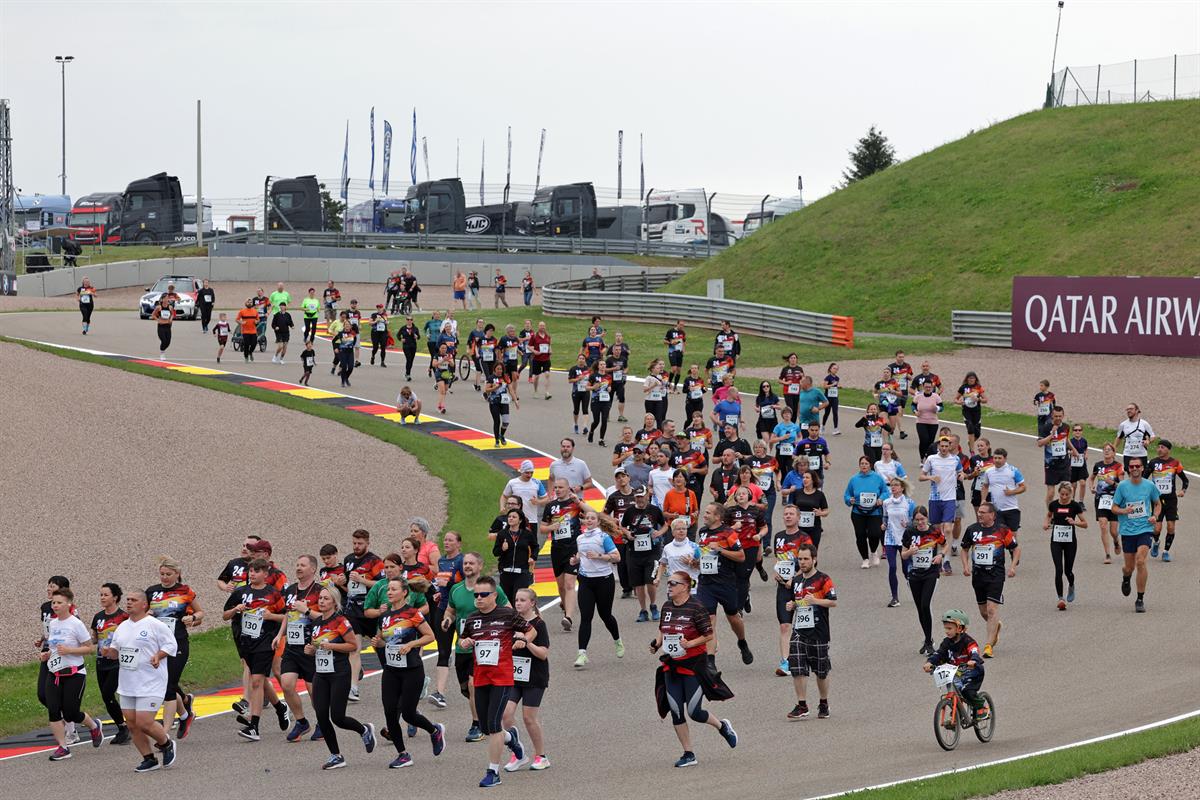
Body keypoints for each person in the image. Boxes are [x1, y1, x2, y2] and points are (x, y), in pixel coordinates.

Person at [651, 571, 738, 767]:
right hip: (671, 665)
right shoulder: (666, 606)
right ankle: (688, 753)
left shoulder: (697, 608)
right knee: (676, 710)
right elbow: (663, 628)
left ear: (685, 586)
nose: (669, 586)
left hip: (693, 665)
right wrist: (656, 643)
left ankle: (722, 726)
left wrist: (690, 644)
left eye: (673, 583)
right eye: (668, 583)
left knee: (694, 711)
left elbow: (708, 635)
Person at [458, 576, 532, 788]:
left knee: (493, 725)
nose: (478, 599)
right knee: (485, 726)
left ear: (494, 596)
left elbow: (530, 629)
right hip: (481, 678)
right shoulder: (472, 619)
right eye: (476, 595)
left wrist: (522, 640)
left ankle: (493, 772)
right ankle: (512, 740)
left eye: (483, 595)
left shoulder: (507, 614)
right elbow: (463, 640)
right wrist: (465, 642)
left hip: (502, 677)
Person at [372, 577, 445, 768]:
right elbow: (385, 640)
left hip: (411, 670)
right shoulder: (384, 616)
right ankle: (403, 754)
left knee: (408, 714)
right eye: (388, 589)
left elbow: (430, 636)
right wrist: (379, 643)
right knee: (389, 712)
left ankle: (434, 731)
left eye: (393, 589)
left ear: (404, 592)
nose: (389, 592)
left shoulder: (413, 613)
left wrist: (411, 644)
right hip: (391, 670)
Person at [104, 590, 178, 772]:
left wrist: (158, 655)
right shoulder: (122, 627)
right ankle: (149, 758)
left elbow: (171, 645)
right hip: (128, 683)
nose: (129, 603)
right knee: (132, 724)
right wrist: (108, 652)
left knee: (144, 722)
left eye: (133, 600)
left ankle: (166, 743)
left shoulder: (155, 625)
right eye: (128, 600)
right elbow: (115, 651)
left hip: (151, 681)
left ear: (144, 604)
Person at [306, 586, 376, 769]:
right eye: (320, 598)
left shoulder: (341, 622)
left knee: (337, 717)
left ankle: (364, 730)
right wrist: (311, 650)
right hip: (321, 674)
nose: (321, 601)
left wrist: (332, 647)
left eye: (326, 599)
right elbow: (316, 646)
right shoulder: (316, 623)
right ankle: (336, 755)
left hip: (339, 672)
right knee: (321, 715)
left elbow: (353, 645)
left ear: (334, 603)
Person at [222, 558, 289, 740]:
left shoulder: (273, 594)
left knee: (257, 681)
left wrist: (270, 616)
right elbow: (225, 615)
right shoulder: (241, 592)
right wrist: (236, 609)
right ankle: (280, 707)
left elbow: (285, 617)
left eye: (257, 571)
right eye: (251, 571)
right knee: (258, 678)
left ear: (266, 574)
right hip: (246, 642)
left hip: (265, 641)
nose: (252, 574)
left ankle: (254, 726)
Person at [41, 587, 104, 761]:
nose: (55, 606)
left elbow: (89, 648)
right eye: (53, 602)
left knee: (70, 713)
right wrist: (47, 654)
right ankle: (63, 747)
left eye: (59, 602)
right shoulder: (53, 623)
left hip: (74, 674)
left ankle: (93, 725)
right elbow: (53, 647)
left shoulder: (76, 624)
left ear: (69, 604)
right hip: (54, 673)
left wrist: (70, 650)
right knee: (53, 710)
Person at [146, 556, 203, 739]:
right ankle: (186, 710)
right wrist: (146, 614)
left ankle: (165, 730)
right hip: (157, 645)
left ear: (177, 574)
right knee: (165, 684)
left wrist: (192, 618)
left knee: (168, 685)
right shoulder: (152, 592)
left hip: (177, 642)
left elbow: (201, 613)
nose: (164, 578)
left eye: (168, 574)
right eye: (162, 574)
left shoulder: (185, 591)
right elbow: (142, 613)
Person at [959, 503, 1020, 658]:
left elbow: (1015, 548)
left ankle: (988, 645)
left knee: (992, 609)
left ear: (992, 515)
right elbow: (965, 549)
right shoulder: (972, 530)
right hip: (978, 576)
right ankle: (995, 626)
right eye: (979, 512)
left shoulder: (1002, 530)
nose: (980, 515)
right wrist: (966, 566)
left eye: (983, 512)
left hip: (996, 575)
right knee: (984, 612)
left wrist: (1012, 567)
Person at [784, 543, 837, 720]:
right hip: (799, 630)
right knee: (797, 666)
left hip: (819, 631)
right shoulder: (797, 581)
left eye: (806, 559)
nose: (803, 562)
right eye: (800, 559)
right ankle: (802, 704)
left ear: (814, 559)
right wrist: (792, 605)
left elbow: (833, 602)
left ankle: (823, 702)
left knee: (821, 671)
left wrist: (815, 600)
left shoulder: (823, 579)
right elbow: (798, 601)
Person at [696, 502, 752, 664]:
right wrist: (695, 561)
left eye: (708, 513)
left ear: (717, 517)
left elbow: (741, 556)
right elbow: (704, 555)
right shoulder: (703, 532)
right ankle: (711, 660)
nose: (704, 515)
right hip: (706, 583)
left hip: (725, 583)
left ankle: (742, 642)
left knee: (733, 617)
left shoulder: (728, 533)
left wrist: (720, 549)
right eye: (705, 512)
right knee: (709, 620)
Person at [501, 587, 550, 771]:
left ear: (532, 603)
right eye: (516, 600)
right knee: (506, 713)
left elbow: (544, 654)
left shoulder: (538, 624)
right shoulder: (511, 623)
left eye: (523, 600)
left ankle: (541, 756)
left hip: (534, 676)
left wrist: (527, 642)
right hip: (514, 676)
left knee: (529, 718)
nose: (518, 603)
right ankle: (517, 752)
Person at [277, 554, 323, 742]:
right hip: (292, 646)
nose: (298, 568)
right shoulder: (290, 590)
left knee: (314, 691)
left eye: (302, 565)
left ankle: (322, 723)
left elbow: (326, 617)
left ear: (313, 569)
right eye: (297, 565)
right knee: (286, 684)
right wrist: (279, 634)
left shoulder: (320, 591)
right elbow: (288, 614)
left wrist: (307, 611)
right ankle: (301, 721)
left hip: (310, 646)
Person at [571, 510, 624, 668]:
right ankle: (582, 654)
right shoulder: (580, 538)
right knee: (586, 617)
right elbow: (581, 555)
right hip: (586, 581)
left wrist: (599, 556)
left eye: (592, 518)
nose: (589, 520)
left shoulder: (603, 537)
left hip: (604, 581)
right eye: (587, 518)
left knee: (605, 615)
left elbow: (617, 557)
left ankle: (618, 641)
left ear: (598, 521)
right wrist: (575, 560)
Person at [1112, 458, 1162, 613]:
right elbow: (1114, 508)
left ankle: (1140, 599)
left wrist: (1155, 516)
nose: (1134, 468)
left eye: (1137, 466)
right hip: (1127, 530)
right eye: (1132, 466)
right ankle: (1126, 578)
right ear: (1128, 468)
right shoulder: (1122, 486)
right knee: (1129, 567)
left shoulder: (1149, 486)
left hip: (1145, 528)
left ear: (1142, 468)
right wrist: (1123, 511)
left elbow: (1157, 503)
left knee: (1140, 561)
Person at [922, 609, 988, 721]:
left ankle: (982, 707)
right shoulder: (946, 642)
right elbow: (939, 653)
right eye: (945, 628)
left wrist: (973, 660)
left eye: (949, 628)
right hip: (956, 672)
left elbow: (974, 651)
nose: (946, 631)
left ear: (960, 628)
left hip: (972, 672)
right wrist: (930, 662)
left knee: (967, 692)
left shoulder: (968, 641)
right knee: (953, 689)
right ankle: (957, 712)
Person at [770, 505, 813, 674]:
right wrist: (778, 574)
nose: (788, 516)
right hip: (783, 588)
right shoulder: (779, 537)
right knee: (785, 625)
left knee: (804, 626)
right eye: (786, 514)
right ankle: (786, 662)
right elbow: (779, 560)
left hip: (802, 586)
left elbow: (811, 562)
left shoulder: (804, 538)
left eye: (791, 514)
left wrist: (794, 577)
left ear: (798, 517)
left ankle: (808, 656)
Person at [342, 529, 384, 701]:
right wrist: (341, 583)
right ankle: (353, 688)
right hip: (353, 611)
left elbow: (381, 584)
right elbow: (348, 587)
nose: (356, 546)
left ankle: (407, 679)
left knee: (381, 648)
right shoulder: (348, 560)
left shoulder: (375, 561)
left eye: (360, 543)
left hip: (371, 610)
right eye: (354, 543)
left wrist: (363, 580)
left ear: (367, 543)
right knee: (355, 648)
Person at [901, 506, 946, 654]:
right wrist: (909, 552)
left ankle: (928, 642)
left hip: (931, 573)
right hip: (914, 574)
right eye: (917, 520)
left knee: (926, 604)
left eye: (922, 519)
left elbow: (944, 545)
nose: (920, 522)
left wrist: (941, 555)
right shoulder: (909, 532)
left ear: (927, 518)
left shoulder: (934, 531)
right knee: (920, 608)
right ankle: (928, 640)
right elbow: (903, 555)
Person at [90, 582, 130, 745]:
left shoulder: (124, 617)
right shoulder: (98, 617)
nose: (102, 598)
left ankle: (126, 726)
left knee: (108, 693)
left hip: (118, 662)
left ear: (115, 597)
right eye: (101, 595)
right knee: (107, 698)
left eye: (105, 595)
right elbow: (95, 637)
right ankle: (122, 726)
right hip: (101, 662)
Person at [541, 478, 582, 631]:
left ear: (568, 488)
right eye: (555, 487)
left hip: (573, 547)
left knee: (570, 583)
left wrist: (579, 502)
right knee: (561, 585)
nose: (557, 490)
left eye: (560, 487)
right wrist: (552, 526)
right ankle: (566, 608)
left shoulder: (575, 503)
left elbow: (592, 513)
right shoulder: (550, 506)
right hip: (557, 549)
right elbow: (542, 528)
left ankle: (568, 617)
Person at [1043, 482, 1087, 611]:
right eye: (1062, 494)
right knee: (1058, 569)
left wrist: (1075, 522)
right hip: (1056, 541)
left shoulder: (1075, 506)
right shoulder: (1054, 505)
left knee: (1068, 571)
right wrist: (1046, 524)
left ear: (1070, 494)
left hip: (1070, 542)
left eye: (1066, 495)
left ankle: (1071, 585)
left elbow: (1085, 524)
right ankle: (1060, 598)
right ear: (1059, 493)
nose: (1063, 497)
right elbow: (1049, 515)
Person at [845, 456, 888, 568]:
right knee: (860, 535)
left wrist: (881, 499)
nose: (864, 465)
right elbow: (847, 495)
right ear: (859, 465)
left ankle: (873, 552)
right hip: (858, 512)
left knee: (875, 534)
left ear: (870, 465)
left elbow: (885, 492)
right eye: (862, 463)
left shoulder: (877, 478)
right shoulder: (854, 479)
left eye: (866, 463)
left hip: (874, 512)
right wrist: (850, 500)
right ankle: (865, 559)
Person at [1148, 440, 1188, 561]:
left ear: (1168, 450)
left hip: (1171, 500)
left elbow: (1185, 480)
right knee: (1157, 528)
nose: (1159, 449)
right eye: (1158, 447)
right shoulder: (1153, 463)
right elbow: (1144, 477)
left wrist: (1183, 490)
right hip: (1157, 500)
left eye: (1162, 447)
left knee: (1171, 527)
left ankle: (1166, 551)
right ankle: (1156, 542)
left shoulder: (1175, 463)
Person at [881, 478, 916, 608]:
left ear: (902, 488)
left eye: (896, 485)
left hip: (904, 539)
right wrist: (884, 525)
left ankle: (912, 586)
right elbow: (885, 517)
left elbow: (915, 521)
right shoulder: (886, 502)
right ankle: (895, 597)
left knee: (906, 570)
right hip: (890, 538)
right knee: (892, 567)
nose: (893, 487)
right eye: (892, 485)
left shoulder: (909, 503)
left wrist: (909, 524)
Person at [493, 508, 538, 599]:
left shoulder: (527, 534)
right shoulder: (502, 534)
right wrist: (502, 549)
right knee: (507, 600)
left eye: (514, 517)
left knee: (518, 598)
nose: (511, 518)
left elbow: (535, 546)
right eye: (509, 517)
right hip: (506, 572)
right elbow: (495, 552)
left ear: (520, 520)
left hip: (522, 572)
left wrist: (533, 557)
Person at [979, 448, 1026, 534]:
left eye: (999, 458)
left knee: (1012, 535)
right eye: (995, 458)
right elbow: (985, 486)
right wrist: (983, 499)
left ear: (1005, 458)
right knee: (998, 535)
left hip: (1011, 508)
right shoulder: (989, 471)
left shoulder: (1013, 470)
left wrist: (1012, 492)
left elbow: (1023, 487)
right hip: (997, 509)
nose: (997, 460)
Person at [1036, 405, 1075, 504]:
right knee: (1051, 493)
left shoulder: (1066, 427)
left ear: (1063, 416)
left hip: (1064, 463)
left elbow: (1066, 439)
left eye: (1060, 416)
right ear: (1052, 416)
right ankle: (1050, 514)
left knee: (1067, 490)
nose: (1058, 418)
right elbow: (1040, 443)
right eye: (1056, 416)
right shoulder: (1046, 427)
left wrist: (1074, 450)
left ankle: (1066, 512)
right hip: (1051, 464)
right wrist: (1051, 435)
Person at [790, 470, 829, 549]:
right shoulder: (797, 492)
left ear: (813, 480)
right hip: (799, 527)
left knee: (812, 550)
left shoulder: (819, 494)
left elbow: (826, 511)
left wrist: (821, 513)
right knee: (798, 550)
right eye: (803, 477)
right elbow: (792, 508)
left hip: (814, 528)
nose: (804, 479)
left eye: (807, 478)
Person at [484, 362, 517, 446]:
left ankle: (501, 435)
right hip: (494, 402)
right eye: (498, 369)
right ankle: (497, 440)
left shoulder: (505, 377)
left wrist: (515, 400)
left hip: (504, 402)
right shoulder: (491, 378)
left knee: (506, 422)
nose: (499, 371)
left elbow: (511, 390)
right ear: (495, 369)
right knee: (497, 421)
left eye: (501, 369)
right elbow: (486, 390)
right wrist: (495, 387)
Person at [1115, 403, 1156, 472]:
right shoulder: (1123, 425)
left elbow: (1152, 436)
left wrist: (1148, 442)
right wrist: (1114, 449)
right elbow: (1119, 438)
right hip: (1128, 454)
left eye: (1131, 409)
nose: (1128, 411)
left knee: (1142, 476)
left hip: (1141, 454)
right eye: (1127, 409)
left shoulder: (1144, 424)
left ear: (1137, 410)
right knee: (1131, 475)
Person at [954, 371, 988, 449]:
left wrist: (978, 399)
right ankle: (972, 450)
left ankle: (970, 442)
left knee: (978, 433)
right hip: (967, 411)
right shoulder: (963, 387)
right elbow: (955, 399)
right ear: (967, 379)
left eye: (973, 378)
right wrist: (960, 402)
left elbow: (985, 400)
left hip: (976, 412)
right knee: (970, 427)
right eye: (969, 378)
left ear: (975, 379)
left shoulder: (979, 387)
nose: (971, 380)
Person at [912, 381, 943, 460]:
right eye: (926, 387)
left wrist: (936, 408)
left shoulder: (936, 396)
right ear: (923, 387)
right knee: (923, 440)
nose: (928, 389)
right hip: (921, 421)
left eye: (929, 387)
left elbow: (942, 407)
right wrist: (915, 411)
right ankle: (922, 458)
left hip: (933, 422)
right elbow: (913, 405)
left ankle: (929, 458)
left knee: (930, 442)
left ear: (932, 387)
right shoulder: (918, 396)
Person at [605, 332, 631, 422]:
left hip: (620, 382)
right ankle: (607, 415)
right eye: (616, 350)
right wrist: (613, 369)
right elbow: (604, 370)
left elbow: (626, 367)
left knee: (622, 398)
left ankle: (621, 415)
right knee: (609, 399)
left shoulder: (623, 359)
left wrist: (624, 372)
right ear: (613, 350)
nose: (618, 351)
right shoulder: (609, 360)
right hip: (610, 382)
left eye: (619, 350)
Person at [770, 406, 801, 477]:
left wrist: (798, 442)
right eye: (785, 413)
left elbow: (800, 436)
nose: (787, 415)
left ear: (791, 415)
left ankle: (789, 485)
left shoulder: (795, 426)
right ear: (782, 415)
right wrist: (782, 438)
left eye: (788, 413)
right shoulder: (778, 427)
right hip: (781, 450)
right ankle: (781, 485)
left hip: (791, 450)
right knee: (781, 470)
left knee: (791, 469)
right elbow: (771, 440)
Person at [530, 321, 553, 399]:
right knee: (536, 377)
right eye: (541, 326)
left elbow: (549, 345)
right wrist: (534, 351)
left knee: (547, 374)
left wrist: (550, 350)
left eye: (543, 326)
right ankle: (536, 391)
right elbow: (529, 346)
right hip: (537, 359)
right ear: (538, 327)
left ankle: (547, 392)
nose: (542, 327)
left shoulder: (548, 336)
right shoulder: (534, 336)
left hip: (546, 358)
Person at [395, 315, 421, 381]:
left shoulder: (415, 328)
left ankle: (407, 373)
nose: (409, 321)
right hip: (406, 345)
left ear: (412, 320)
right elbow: (398, 335)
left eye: (411, 319)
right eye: (408, 319)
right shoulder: (403, 328)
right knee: (409, 359)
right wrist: (401, 339)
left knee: (411, 360)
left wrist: (416, 337)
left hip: (413, 345)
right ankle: (408, 374)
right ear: (406, 320)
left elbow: (419, 337)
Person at [663, 320, 686, 389]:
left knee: (679, 370)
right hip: (672, 351)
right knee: (674, 368)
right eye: (681, 325)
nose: (682, 326)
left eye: (683, 325)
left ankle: (675, 385)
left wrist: (683, 349)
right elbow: (664, 341)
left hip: (679, 352)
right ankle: (669, 383)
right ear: (677, 324)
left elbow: (684, 341)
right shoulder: (670, 331)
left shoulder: (683, 333)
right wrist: (671, 343)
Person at [432, 343, 454, 414]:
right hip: (439, 373)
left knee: (445, 390)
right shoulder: (436, 355)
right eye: (442, 348)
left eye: (445, 348)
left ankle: (439, 405)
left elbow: (452, 364)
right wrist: (442, 360)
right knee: (442, 391)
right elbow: (434, 364)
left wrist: (449, 360)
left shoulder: (449, 355)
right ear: (439, 349)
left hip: (447, 373)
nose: (444, 349)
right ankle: (441, 407)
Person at [821, 363, 841, 434]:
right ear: (830, 369)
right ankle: (822, 426)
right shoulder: (828, 377)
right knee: (827, 413)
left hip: (835, 397)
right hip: (828, 397)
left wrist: (838, 386)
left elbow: (836, 386)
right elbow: (824, 386)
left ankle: (836, 429)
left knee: (835, 412)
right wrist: (832, 385)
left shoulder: (837, 378)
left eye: (837, 369)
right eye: (834, 368)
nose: (835, 370)